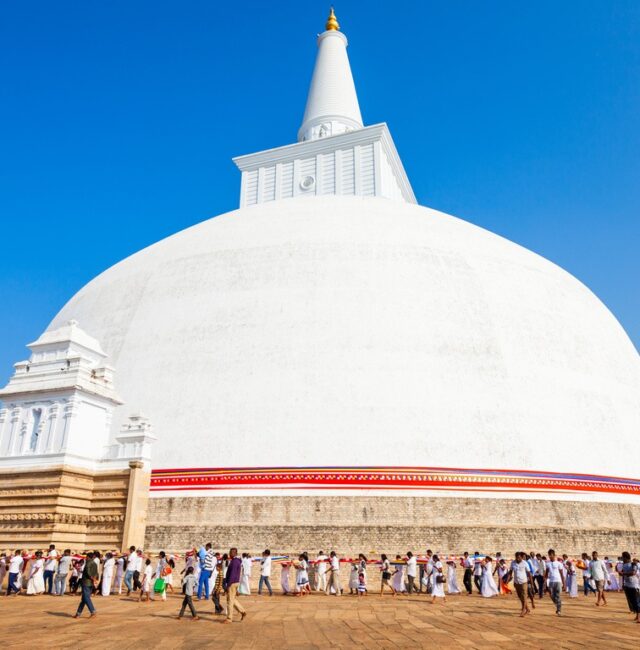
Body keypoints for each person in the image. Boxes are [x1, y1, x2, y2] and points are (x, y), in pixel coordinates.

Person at [223, 547, 247, 624]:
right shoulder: (235, 561)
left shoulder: (234, 562)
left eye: (232, 552)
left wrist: (228, 585)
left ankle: (229, 618)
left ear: (235, 553)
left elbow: (232, 574)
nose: (230, 554)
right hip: (235, 582)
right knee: (232, 599)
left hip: (232, 583)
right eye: (230, 552)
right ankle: (242, 611)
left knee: (229, 601)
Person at [73, 551, 98, 618]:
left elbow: (88, 572)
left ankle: (92, 611)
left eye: (86, 557)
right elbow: (96, 573)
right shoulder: (95, 563)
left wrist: (92, 578)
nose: (86, 558)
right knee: (84, 599)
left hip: (86, 582)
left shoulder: (88, 563)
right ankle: (78, 613)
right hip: (91, 583)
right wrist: (94, 579)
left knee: (86, 598)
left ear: (88, 557)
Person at [618, 551, 640, 623]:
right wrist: (620, 573)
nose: (622, 559)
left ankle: (639, 617)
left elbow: (633, 573)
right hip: (627, 585)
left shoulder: (633, 564)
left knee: (636, 601)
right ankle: (637, 615)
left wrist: (623, 573)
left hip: (634, 585)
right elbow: (622, 574)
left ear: (625, 557)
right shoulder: (624, 565)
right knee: (632, 601)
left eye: (623, 557)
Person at [511, 552, 533, 617]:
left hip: (524, 582)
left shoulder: (525, 563)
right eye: (516, 557)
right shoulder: (513, 563)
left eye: (519, 557)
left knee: (524, 596)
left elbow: (529, 573)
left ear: (521, 557)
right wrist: (507, 580)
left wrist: (532, 584)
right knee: (520, 597)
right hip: (516, 582)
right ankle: (527, 609)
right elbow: (510, 572)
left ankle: (523, 610)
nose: (517, 559)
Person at [545, 549, 565, 616]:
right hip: (551, 581)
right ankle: (558, 605)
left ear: (554, 555)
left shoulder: (559, 564)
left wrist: (564, 584)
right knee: (551, 595)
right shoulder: (547, 564)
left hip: (558, 581)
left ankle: (559, 610)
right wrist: (545, 583)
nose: (550, 556)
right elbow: (546, 574)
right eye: (549, 555)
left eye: (551, 555)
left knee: (558, 595)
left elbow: (562, 574)